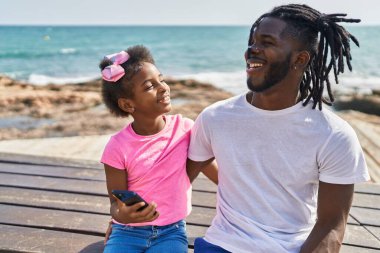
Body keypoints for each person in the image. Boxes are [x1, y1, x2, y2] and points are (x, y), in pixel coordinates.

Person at [187, 4, 370, 253]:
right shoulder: (215, 117)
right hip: (222, 244)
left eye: (267, 42)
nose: (252, 50)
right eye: (252, 41)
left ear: (300, 59)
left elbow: (332, 224)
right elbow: (178, 178)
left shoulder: (333, 134)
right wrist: (127, 220)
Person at [99, 45, 217, 253]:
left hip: (171, 232)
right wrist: (122, 215)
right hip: (127, 232)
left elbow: (219, 175)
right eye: (149, 86)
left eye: (161, 79)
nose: (163, 87)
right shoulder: (117, 147)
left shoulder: (186, 129)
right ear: (127, 105)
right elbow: (115, 204)